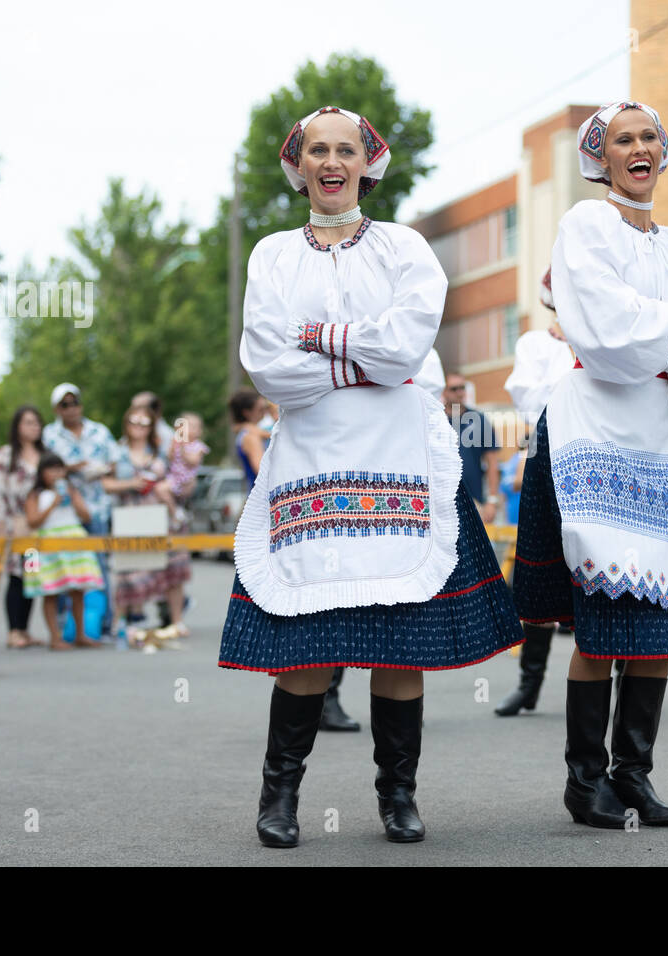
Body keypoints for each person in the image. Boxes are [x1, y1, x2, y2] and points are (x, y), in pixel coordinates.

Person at [219, 105, 522, 848]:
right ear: (299, 164)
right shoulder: (271, 256)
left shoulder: (405, 248)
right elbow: (271, 369)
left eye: (344, 150)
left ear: (366, 161)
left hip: (398, 462)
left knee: (399, 643)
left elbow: (406, 351)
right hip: (311, 465)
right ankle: (280, 796)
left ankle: (398, 795)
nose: (331, 162)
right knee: (307, 644)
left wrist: (319, 342)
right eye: (317, 150)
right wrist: (367, 357)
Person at [512, 101, 668, 828]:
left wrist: (662, 338)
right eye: (622, 139)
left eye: (649, 137)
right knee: (603, 622)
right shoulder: (585, 227)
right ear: (600, 158)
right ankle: (585, 783)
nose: (638, 147)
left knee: (661, 610)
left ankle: (633, 773)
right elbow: (606, 336)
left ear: (663, 153)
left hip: (656, 438)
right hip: (595, 430)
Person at [495, 266, 575, 718]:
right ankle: (530, 683)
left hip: (601, 455)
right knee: (541, 569)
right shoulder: (536, 344)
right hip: (550, 454)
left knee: (609, 570)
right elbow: (527, 399)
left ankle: (620, 673)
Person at [104, 405, 191, 638]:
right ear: (126, 424)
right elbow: (106, 483)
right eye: (134, 422)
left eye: (144, 423)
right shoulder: (117, 451)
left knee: (172, 565)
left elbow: (181, 476)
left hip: (159, 512)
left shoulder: (162, 450)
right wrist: (130, 484)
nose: (139, 427)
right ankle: (120, 622)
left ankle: (177, 620)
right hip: (130, 513)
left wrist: (168, 487)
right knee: (128, 568)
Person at [42, 383, 117, 636]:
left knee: (99, 566)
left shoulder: (100, 431)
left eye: (74, 403)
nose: (71, 408)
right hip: (64, 513)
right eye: (65, 404)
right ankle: (67, 627)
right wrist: (71, 469)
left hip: (96, 508)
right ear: (56, 409)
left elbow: (115, 464)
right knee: (66, 568)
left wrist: (103, 470)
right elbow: (44, 471)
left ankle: (103, 624)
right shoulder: (49, 436)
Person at [24, 453, 105, 649]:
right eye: (50, 469)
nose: (55, 473)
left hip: (73, 539)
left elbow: (86, 516)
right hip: (47, 543)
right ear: (41, 472)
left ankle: (80, 634)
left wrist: (73, 499)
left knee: (78, 590)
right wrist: (53, 504)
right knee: (50, 592)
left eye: (59, 469)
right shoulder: (35, 495)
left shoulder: (71, 490)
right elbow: (32, 521)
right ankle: (54, 637)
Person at [0, 405, 48, 649]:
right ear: (17, 426)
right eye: (28, 422)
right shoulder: (6, 454)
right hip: (15, 524)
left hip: (38, 525)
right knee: (15, 576)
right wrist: (0, 523)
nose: (34, 427)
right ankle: (13, 630)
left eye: (37, 422)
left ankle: (25, 628)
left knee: (31, 576)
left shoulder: (45, 454)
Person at [442, 372, 503, 524]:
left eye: (462, 388)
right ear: (444, 391)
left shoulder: (480, 420)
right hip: (443, 504)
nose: (459, 393)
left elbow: (492, 462)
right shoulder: (436, 421)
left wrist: (492, 500)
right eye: (454, 389)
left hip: (476, 503)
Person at [229, 388, 269, 489]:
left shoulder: (247, 432)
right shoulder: (250, 437)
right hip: (260, 496)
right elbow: (262, 472)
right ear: (247, 412)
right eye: (260, 410)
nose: (264, 413)